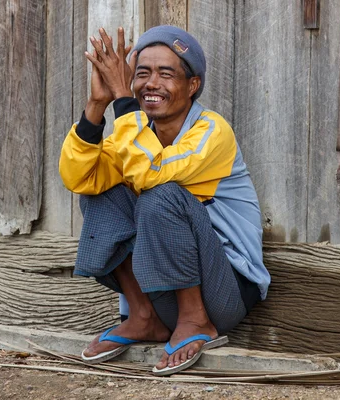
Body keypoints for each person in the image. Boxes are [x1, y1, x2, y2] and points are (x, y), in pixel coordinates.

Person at [58, 25, 270, 376]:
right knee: (100, 191)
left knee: (163, 195)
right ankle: (144, 317)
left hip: (225, 292)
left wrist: (124, 101)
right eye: (141, 74)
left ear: (192, 85)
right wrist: (97, 103)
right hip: (162, 293)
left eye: (166, 74)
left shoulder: (212, 131)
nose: (150, 84)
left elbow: (153, 172)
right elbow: (80, 176)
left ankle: (196, 321)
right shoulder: (136, 137)